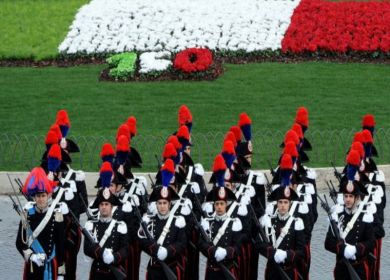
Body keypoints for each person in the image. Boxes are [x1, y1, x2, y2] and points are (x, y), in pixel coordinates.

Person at [325, 150, 375, 280]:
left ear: (357, 197)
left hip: (359, 268)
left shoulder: (365, 216)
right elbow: (328, 242)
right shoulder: (337, 215)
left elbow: (371, 242)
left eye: (350, 196)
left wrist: (356, 249)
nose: (347, 199)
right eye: (345, 196)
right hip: (341, 268)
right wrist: (342, 249)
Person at [138, 160, 187, 279]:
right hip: (154, 269)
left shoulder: (178, 221)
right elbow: (141, 241)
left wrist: (168, 251)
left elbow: (182, 242)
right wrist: (154, 249)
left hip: (172, 268)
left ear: (170, 204)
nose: (162, 206)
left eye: (165, 203)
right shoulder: (149, 220)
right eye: (159, 203)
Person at [16, 167, 67, 280]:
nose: (40, 199)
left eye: (43, 196)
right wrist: (31, 257)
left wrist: (61, 273)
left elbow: (61, 247)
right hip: (32, 267)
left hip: (51, 266)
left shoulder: (56, 215)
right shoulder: (27, 215)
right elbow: (20, 243)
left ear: (48, 196)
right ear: (34, 197)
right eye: (38, 196)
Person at [258, 185, 305, 280]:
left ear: (290, 204)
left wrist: (286, 255)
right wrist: (272, 253)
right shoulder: (269, 221)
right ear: (277, 204)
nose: (283, 205)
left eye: (285, 202)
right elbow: (259, 244)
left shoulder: (296, 223)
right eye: (280, 202)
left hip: (289, 272)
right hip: (272, 272)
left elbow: (301, 251)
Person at [84, 188, 128, 280]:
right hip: (97, 272)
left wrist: (114, 257)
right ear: (99, 207)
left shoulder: (120, 226)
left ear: (111, 207)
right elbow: (86, 249)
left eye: (107, 204)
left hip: (113, 273)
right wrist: (102, 253)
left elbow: (125, 249)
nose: (104, 207)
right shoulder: (91, 225)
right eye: (102, 204)